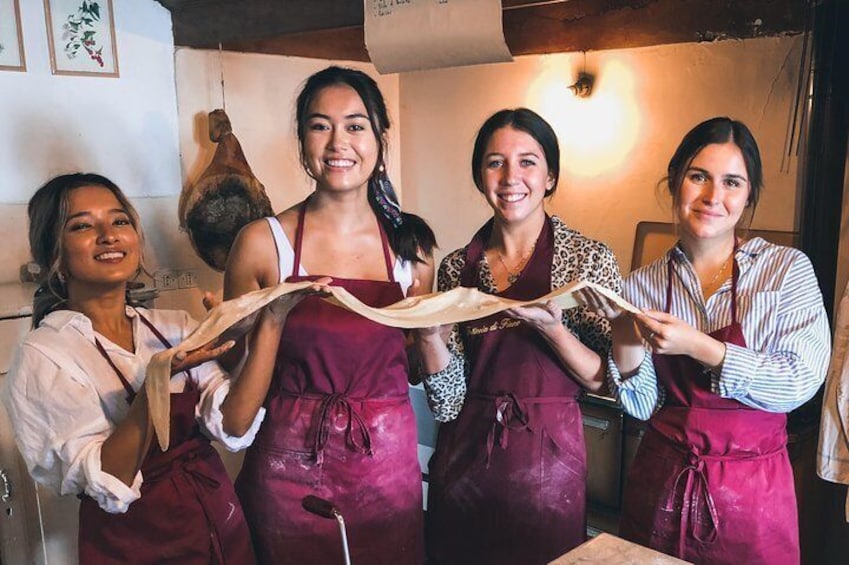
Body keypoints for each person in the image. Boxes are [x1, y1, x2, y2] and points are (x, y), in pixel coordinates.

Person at [579, 117, 830, 564]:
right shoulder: (643, 284)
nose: (714, 196)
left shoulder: (786, 271)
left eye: (732, 182)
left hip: (752, 495)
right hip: (661, 484)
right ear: (675, 181)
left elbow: (799, 382)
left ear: (749, 195)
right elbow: (640, 405)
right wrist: (621, 325)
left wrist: (699, 346)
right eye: (699, 177)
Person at [221, 66, 436, 564]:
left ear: (380, 138)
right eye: (320, 126)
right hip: (289, 470)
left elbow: (417, 366)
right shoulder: (261, 244)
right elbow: (231, 378)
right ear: (302, 141)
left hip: (387, 467)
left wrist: (436, 335)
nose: (339, 142)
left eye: (356, 126)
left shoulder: (411, 248)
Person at [2, 173, 258, 564]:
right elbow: (111, 479)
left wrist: (264, 324)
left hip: (220, 524)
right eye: (83, 225)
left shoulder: (174, 326)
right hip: (135, 545)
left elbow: (235, 424)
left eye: (119, 221)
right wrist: (158, 379)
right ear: (54, 254)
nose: (109, 235)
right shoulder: (45, 355)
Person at [417, 108, 622, 564]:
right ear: (479, 175)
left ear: (550, 176)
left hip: (549, 468)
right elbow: (448, 403)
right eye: (495, 162)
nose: (511, 177)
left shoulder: (586, 261)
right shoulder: (456, 267)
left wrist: (553, 331)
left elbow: (606, 381)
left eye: (528, 161)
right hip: (464, 465)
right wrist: (430, 340)